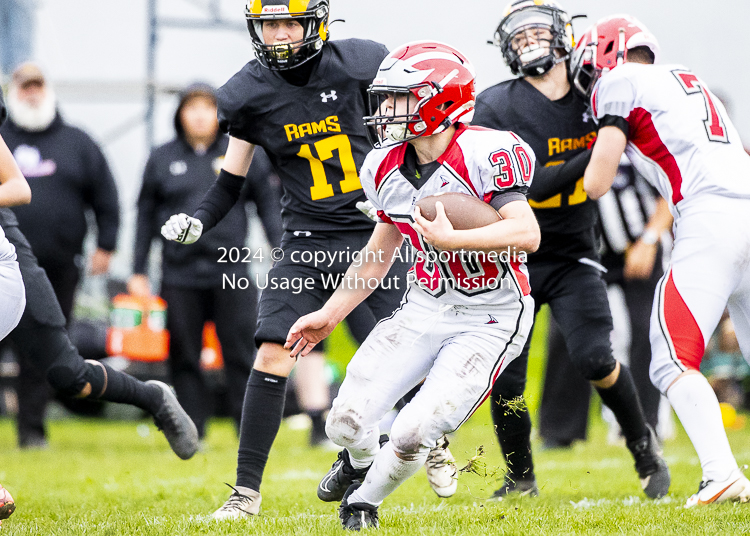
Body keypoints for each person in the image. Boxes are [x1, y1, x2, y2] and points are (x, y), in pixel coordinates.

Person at [159, 0, 453, 517]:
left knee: (401, 351)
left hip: (374, 235)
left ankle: (431, 440)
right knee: (273, 350)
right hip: (306, 241)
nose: (277, 33)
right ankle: (245, 493)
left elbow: (411, 136)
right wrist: (201, 218)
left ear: (314, 23)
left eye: (287, 22)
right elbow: (231, 180)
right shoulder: (248, 92)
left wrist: (393, 190)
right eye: (268, 23)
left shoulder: (361, 65)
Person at [288, 40, 539, 530]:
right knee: (344, 422)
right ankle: (359, 462)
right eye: (385, 97)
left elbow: (526, 234)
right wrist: (331, 313)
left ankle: (364, 501)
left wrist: (456, 239)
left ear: (441, 101)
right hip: (426, 305)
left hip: (492, 315)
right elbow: (378, 256)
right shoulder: (383, 165)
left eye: (399, 98)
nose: (385, 109)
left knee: (413, 430)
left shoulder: (488, 151)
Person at [472, 0, 670, 499]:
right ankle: (520, 476)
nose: (530, 43)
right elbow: (527, 185)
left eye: (538, 32)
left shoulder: (598, 96)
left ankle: (644, 448)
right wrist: (599, 150)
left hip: (574, 254)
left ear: (564, 36)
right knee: (508, 376)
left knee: (595, 357)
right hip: (513, 256)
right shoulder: (495, 106)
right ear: (506, 51)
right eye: (519, 38)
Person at [573, 13, 750, 506]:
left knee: (670, 355)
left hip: (710, 218)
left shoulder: (621, 81)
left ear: (608, 55)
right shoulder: (687, 80)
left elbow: (597, 182)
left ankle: (719, 472)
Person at [129, 83, 282, 441]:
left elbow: (268, 207)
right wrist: (137, 269)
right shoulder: (162, 157)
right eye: (192, 107)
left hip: (232, 271)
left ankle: (248, 430)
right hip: (180, 273)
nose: (199, 115)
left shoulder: (242, 153)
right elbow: (144, 216)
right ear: (180, 114)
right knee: (184, 354)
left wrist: (282, 252)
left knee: (242, 352)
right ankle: (191, 430)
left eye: (207, 107)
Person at [0, 62, 121, 447]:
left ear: (48, 90)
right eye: (24, 87)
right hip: (3, 259)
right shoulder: (3, 136)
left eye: (38, 86)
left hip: (57, 264)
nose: (32, 93)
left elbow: (106, 195)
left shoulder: (78, 141)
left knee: (45, 351)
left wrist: (106, 245)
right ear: (12, 93)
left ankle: (32, 430)